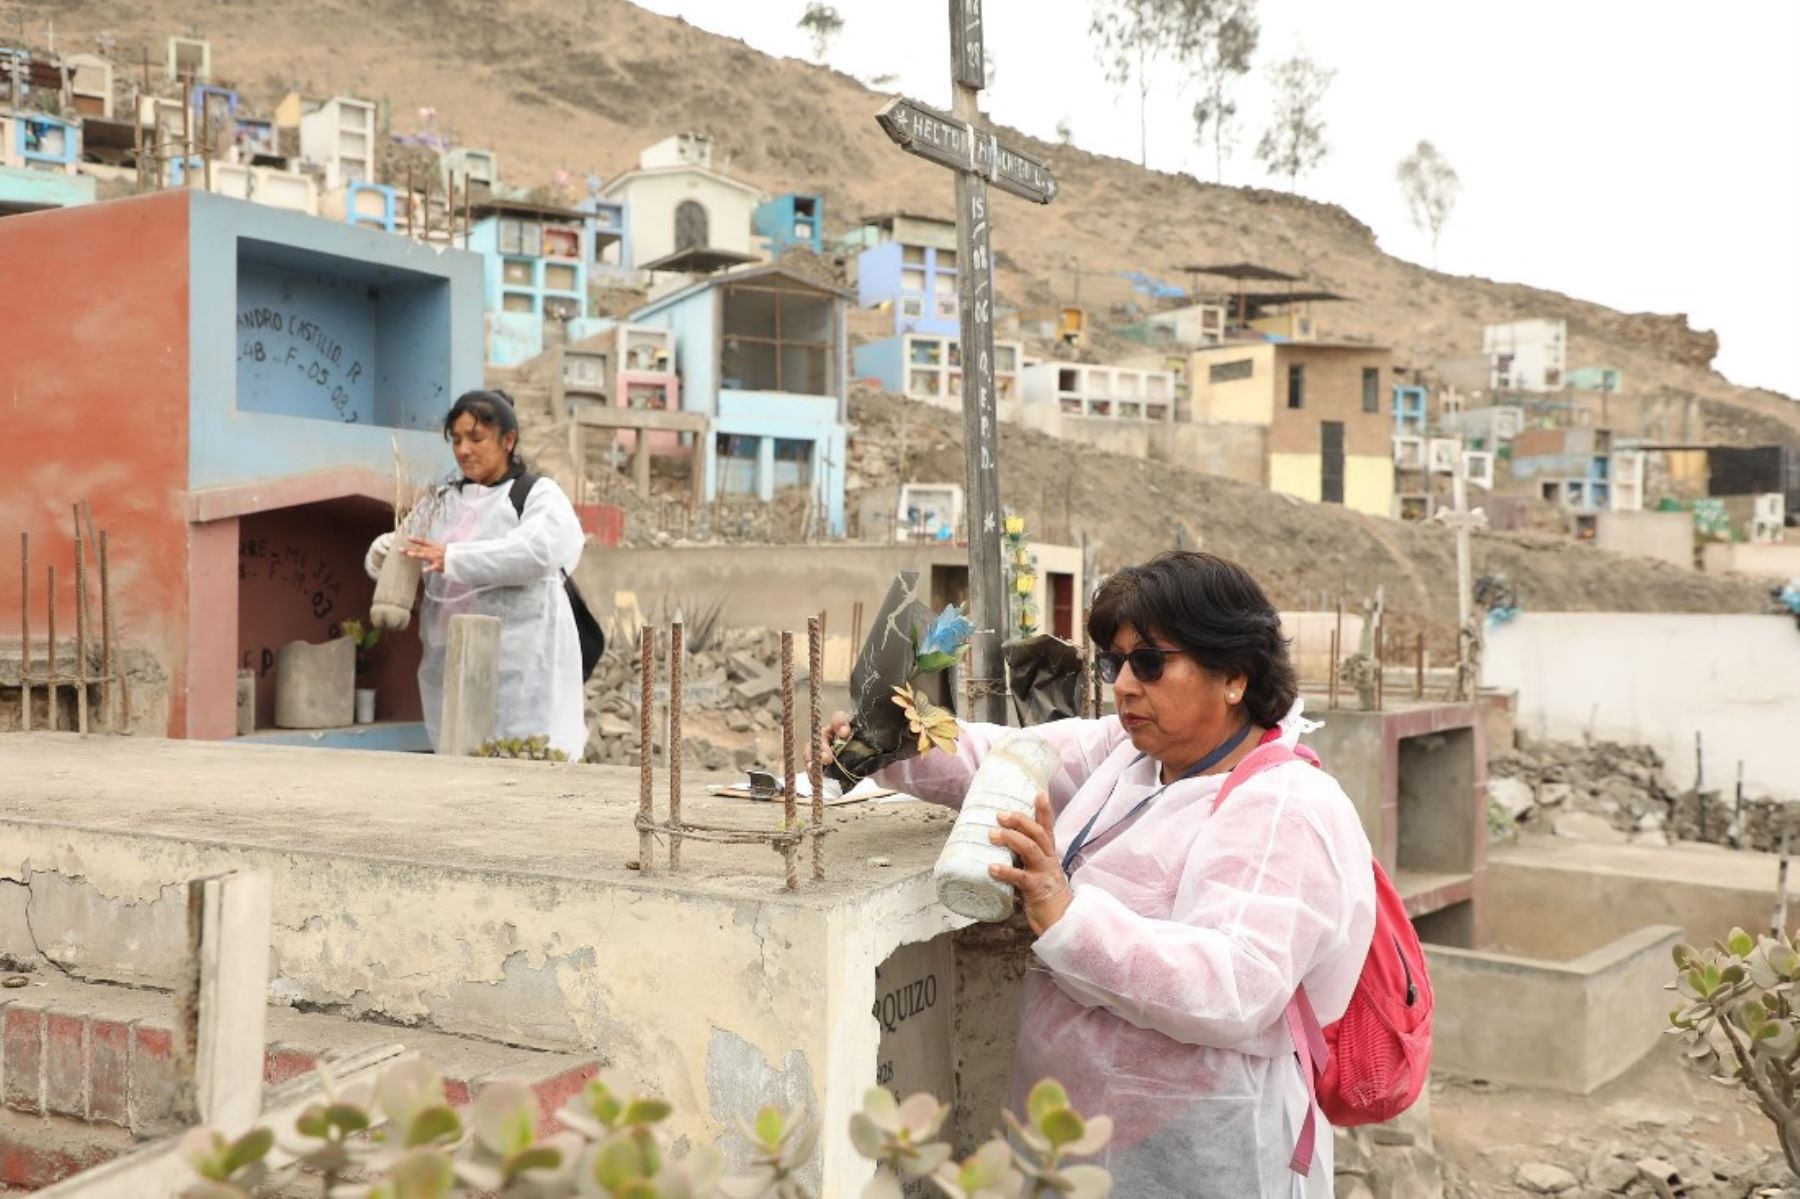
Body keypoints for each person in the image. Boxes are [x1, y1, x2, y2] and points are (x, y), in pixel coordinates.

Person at [828, 551, 1376, 1196]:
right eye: (1116, 664)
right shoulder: (1134, 755)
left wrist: (1067, 912)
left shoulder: (1284, 808)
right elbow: (1007, 758)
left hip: (1195, 1141)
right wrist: (893, 744)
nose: (1123, 686)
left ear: (1235, 675)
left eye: (1150, 663)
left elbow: (1236, 987)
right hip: (1079, 1119)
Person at [364, 389, 587, 759]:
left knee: (527, 760)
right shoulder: (442, 502)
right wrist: (382, 553)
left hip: (524, 668)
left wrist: (452, 556)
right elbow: (411, 550)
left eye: (476, 438)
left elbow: (536, 551)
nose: (464, 450)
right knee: (459, 759)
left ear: (508, 441)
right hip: (450, 661)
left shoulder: (538, 496)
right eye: (456, 440)